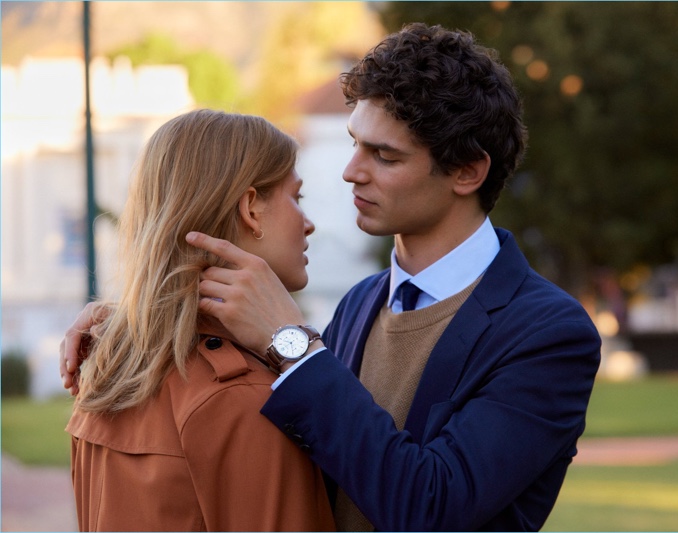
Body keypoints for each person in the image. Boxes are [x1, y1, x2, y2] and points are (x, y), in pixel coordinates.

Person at [63, 23, 601, 531]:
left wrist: (292, 345)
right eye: (355, 144)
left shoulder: (547, 333)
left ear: (468, 171)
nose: (351, 171)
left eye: (384, 156)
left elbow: (432, 508)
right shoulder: (361, 302)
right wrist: (144, 317)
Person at [63, 109, 335, 531]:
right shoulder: (245, 400)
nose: (309, 223)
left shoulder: (107, 374)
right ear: (250, 209)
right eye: (296, 198)